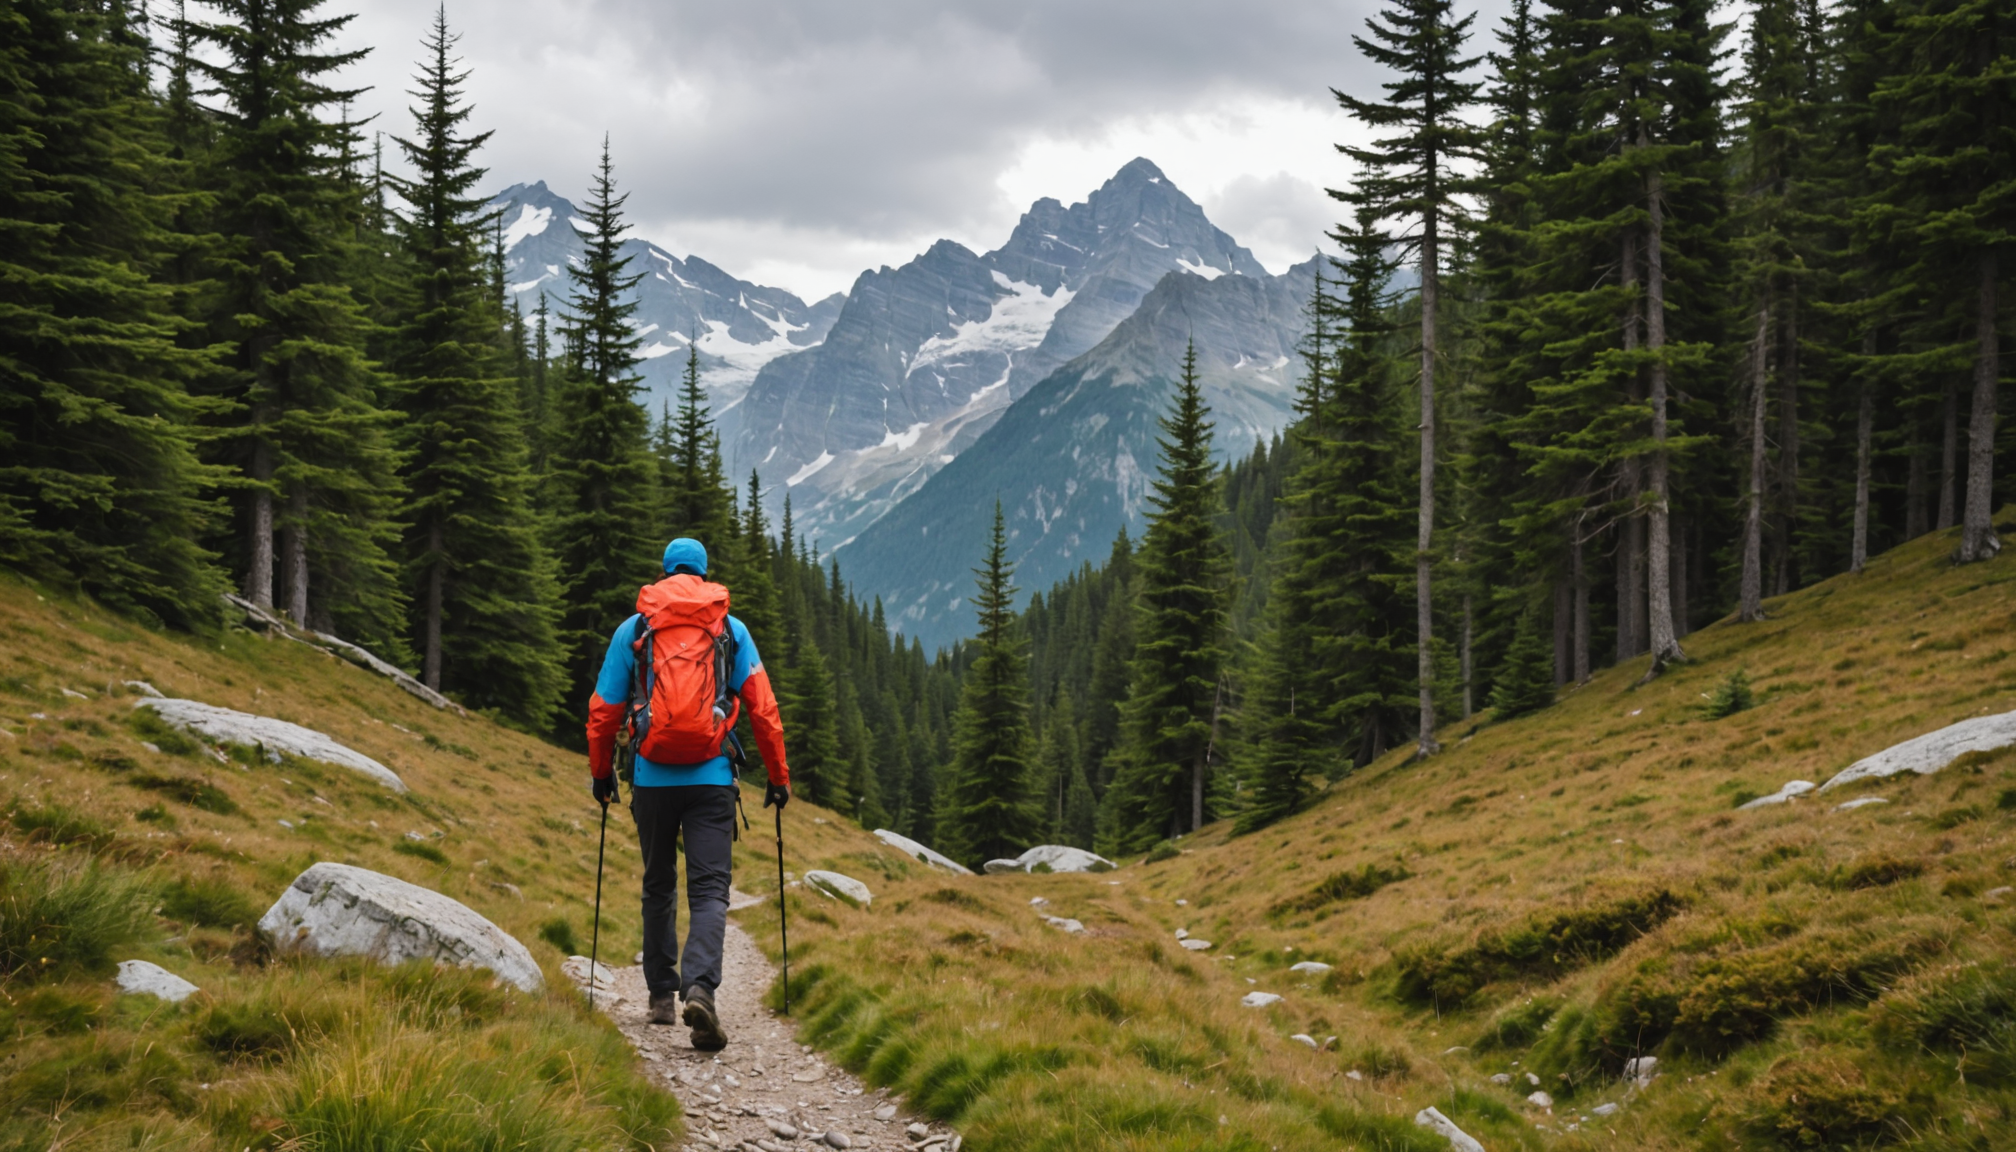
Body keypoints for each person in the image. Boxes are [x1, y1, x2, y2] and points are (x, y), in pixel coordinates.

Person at [586, 537, 790, 1050]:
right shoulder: (729, 628)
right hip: (712, 779)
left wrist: (601, 773)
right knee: (709, 889)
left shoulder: (635, 629)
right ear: (703, 574)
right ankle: (700, 988)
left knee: (658, 884)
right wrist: (778, 777)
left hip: (652, 777)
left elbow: (604, 712)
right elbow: (763, 709)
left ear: (664, 572)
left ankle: (659, 996)